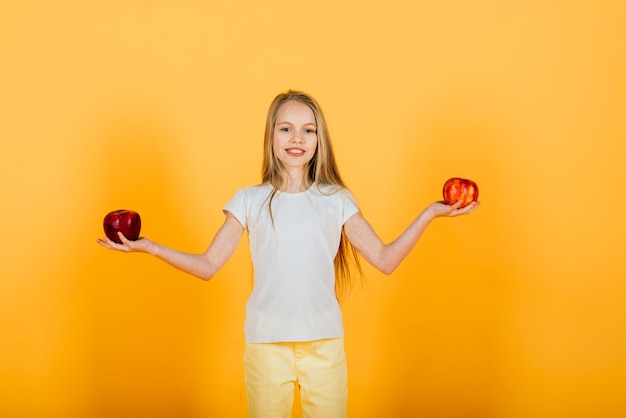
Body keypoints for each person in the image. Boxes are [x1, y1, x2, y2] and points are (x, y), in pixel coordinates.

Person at [97, 90, 479, 418]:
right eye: (286, 128)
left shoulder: (337, 200)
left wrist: (431, 212)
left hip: (324, 348)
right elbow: (208, 265)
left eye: (308, 130)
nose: (297, 138)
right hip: (265, 348)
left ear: (319, 139)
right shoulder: (249, 200)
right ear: (272, 136)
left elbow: (385, 259)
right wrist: (149, 246)